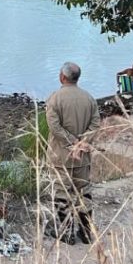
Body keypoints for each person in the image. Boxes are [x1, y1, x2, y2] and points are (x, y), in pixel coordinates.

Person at [44, 61, 100, 245]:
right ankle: (85, 233)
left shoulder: (55, 99)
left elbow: (55, 128)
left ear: (62, 77)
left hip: (60, 156)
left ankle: (66, 233)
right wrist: (82, 143)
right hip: (82, 157)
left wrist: (72, 142)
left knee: (61, 193)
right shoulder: (89, 98)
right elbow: (95, 125)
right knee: (84, 193)